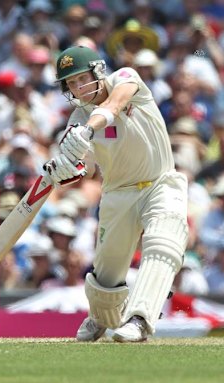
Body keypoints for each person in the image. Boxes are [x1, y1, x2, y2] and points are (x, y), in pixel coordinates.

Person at [44, 46, 189, 342]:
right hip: (116, 195)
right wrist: (60, 168)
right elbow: (80, 167)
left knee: (164, 244)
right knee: (107, 275)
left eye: (81, 78)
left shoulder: (125, 76)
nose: (77, 88)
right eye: (70, 83)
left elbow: (114, 104)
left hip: (160, 183)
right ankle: (100, 318)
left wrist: (87, 128)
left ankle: (139, 319)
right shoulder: (76, 120)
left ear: (98, 71)